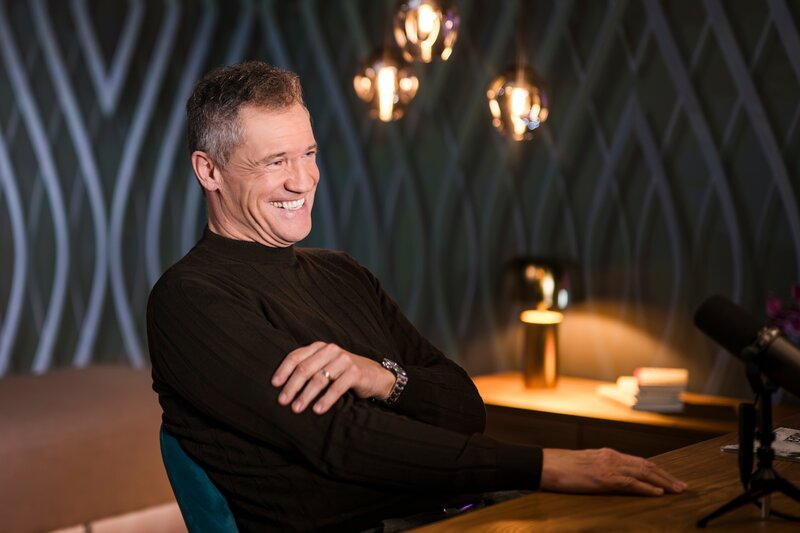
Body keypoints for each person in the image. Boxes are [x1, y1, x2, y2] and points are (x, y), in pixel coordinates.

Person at [147, 61, 686, 532]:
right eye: (275, 162)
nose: (303, 180)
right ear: (209, 171)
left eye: (308, 153)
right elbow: (344, 441)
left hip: (464, 510)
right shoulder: (190, 300)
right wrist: (546, 466)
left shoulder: (342, 274)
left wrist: (383, 378)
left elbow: (464, 408)